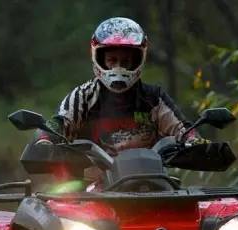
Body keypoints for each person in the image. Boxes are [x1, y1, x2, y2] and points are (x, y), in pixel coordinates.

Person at [34, 17, 197, 161]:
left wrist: (196, 143)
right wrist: (45, 140)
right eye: (112, 60)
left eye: (126, 61)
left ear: (138, 60)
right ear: (98, 58)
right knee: (60, 194)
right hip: (93, 185)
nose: (119, 67)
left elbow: (183, 130)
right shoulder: (83, 97)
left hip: (150, 181)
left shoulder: (154, 98)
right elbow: (60, 122)